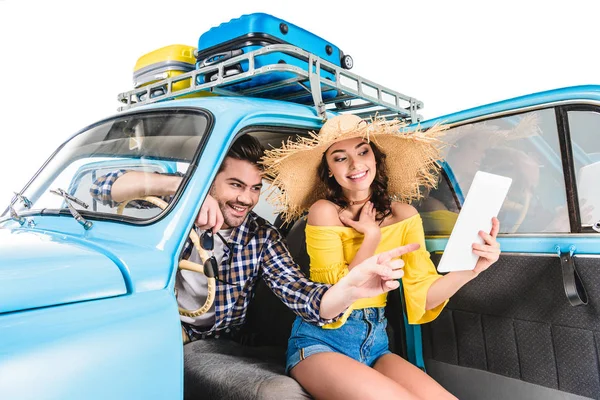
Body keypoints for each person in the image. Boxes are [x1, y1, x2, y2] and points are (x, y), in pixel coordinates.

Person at [89, 134, 414, 367]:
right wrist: (187, 191)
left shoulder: (261, 236)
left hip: (226, 342)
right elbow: (96, 186)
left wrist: (349, 287)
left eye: (255, 188)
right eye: (235, 185)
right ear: (209, 180)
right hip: (163, 330)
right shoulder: (172, 210)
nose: (246, 199)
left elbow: (299, 292)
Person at [262, 115, 502, 400]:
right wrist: (371, 238)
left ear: (376, 158)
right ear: (329, 170)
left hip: (376, 344)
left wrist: (472, 270)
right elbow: (337, 294)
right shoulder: (323, 211)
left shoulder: (405, 216)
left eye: (363, 152)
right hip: (322, 341)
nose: (355, 165)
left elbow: (423, 296)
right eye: (340, 158)